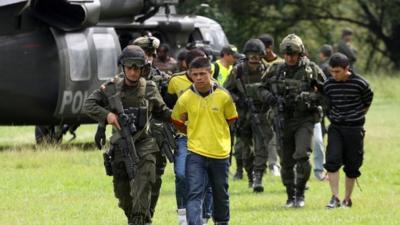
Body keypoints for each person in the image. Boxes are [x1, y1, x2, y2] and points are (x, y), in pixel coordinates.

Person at [83, 45, 171, 225]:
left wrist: (184, 117)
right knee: (123, 196)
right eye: (129, 67)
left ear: (142, 68)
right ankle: (136, 219)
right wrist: (107, 116)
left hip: (145, 146)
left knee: (142, 188)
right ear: (123, 67)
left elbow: (164, 113)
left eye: (137, 68)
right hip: (119, 147)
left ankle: (141, 220)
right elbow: (89, 104)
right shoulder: (111, 87)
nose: (132, 71)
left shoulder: (150, 89)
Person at [259, 34, 326, 208]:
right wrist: (271, 98)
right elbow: (260, 89)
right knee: (286, 161)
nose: (289, 58)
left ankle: (301, 193)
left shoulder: (311, 69)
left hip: (304, 119)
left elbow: (325, 92)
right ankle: (290, 195)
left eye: (293, 54)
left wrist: (308, 97)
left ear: (300, 53)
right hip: (282, 120)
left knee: (302, 155)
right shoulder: (275, 69)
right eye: (287, 54)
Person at [171, 56, 238, 225]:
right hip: (195, 153)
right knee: (194, 192)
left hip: (220, 153)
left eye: (202, 73)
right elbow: (177, 121)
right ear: (190, 75)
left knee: (220, 192)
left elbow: (231, 118)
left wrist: (215, 130)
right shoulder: (185, 98)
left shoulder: (223, 96)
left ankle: (222, 221)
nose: (199, 78)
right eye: (195, 74)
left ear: (210, 72)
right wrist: (193, 132)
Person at [165, 49, 211, 225]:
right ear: (187, 66)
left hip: (206, 137)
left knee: (206, 177)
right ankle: (183, 214)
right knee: (182, 174)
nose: (200, 75)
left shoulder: (211, 82)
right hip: (183, 136)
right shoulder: (175, 81)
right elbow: (167, 106)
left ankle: (204, 216)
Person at [324, 53, 373, 208]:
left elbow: (367, 101)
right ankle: (335, 197)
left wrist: (355, 116)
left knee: (352, 165)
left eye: (337, 71)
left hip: (354, 129)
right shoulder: (329, 85)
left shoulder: (361, 84)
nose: (334, 75)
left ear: (347, 69)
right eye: (332, 71)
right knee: (332, 161)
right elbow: (327, 104)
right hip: (336, 127)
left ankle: (347, 199)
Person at [224, 38, 274, 192]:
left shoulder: (267, 71)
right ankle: (250, 175)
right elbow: (226, 91)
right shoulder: (237, 71)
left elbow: (273, 91)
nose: (254, 59)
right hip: (243, 114)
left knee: (262, 147)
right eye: (251, 56)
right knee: (246, 149)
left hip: (262, 114)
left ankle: (258, 177)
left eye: (257, 56)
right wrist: (239, 99)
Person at [258, 33, 284, 177]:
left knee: (274, 136)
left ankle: (274, 164)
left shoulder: (280, 63)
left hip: (275, 107)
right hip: (259, 106)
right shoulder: (256, 62)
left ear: (269, 48)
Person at [312, 44, 333, 181]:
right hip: (322, 105)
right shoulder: (328, 66)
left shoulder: (321, 67)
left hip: (321, 105)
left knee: (319, 138)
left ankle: (319, 169)